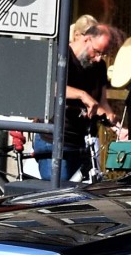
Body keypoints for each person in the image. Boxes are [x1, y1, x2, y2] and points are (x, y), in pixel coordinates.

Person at [34, 22, 118, 180]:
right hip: (54, 138)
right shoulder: (61, 54)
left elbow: (101, 102)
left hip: (82, 141)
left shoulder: (99, 66)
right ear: (87, 40)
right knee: (57, 193)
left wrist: (114, 123)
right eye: (97, 52)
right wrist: (82, 95)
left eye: (103, 54)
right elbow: (48, 86)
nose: (98, 58)